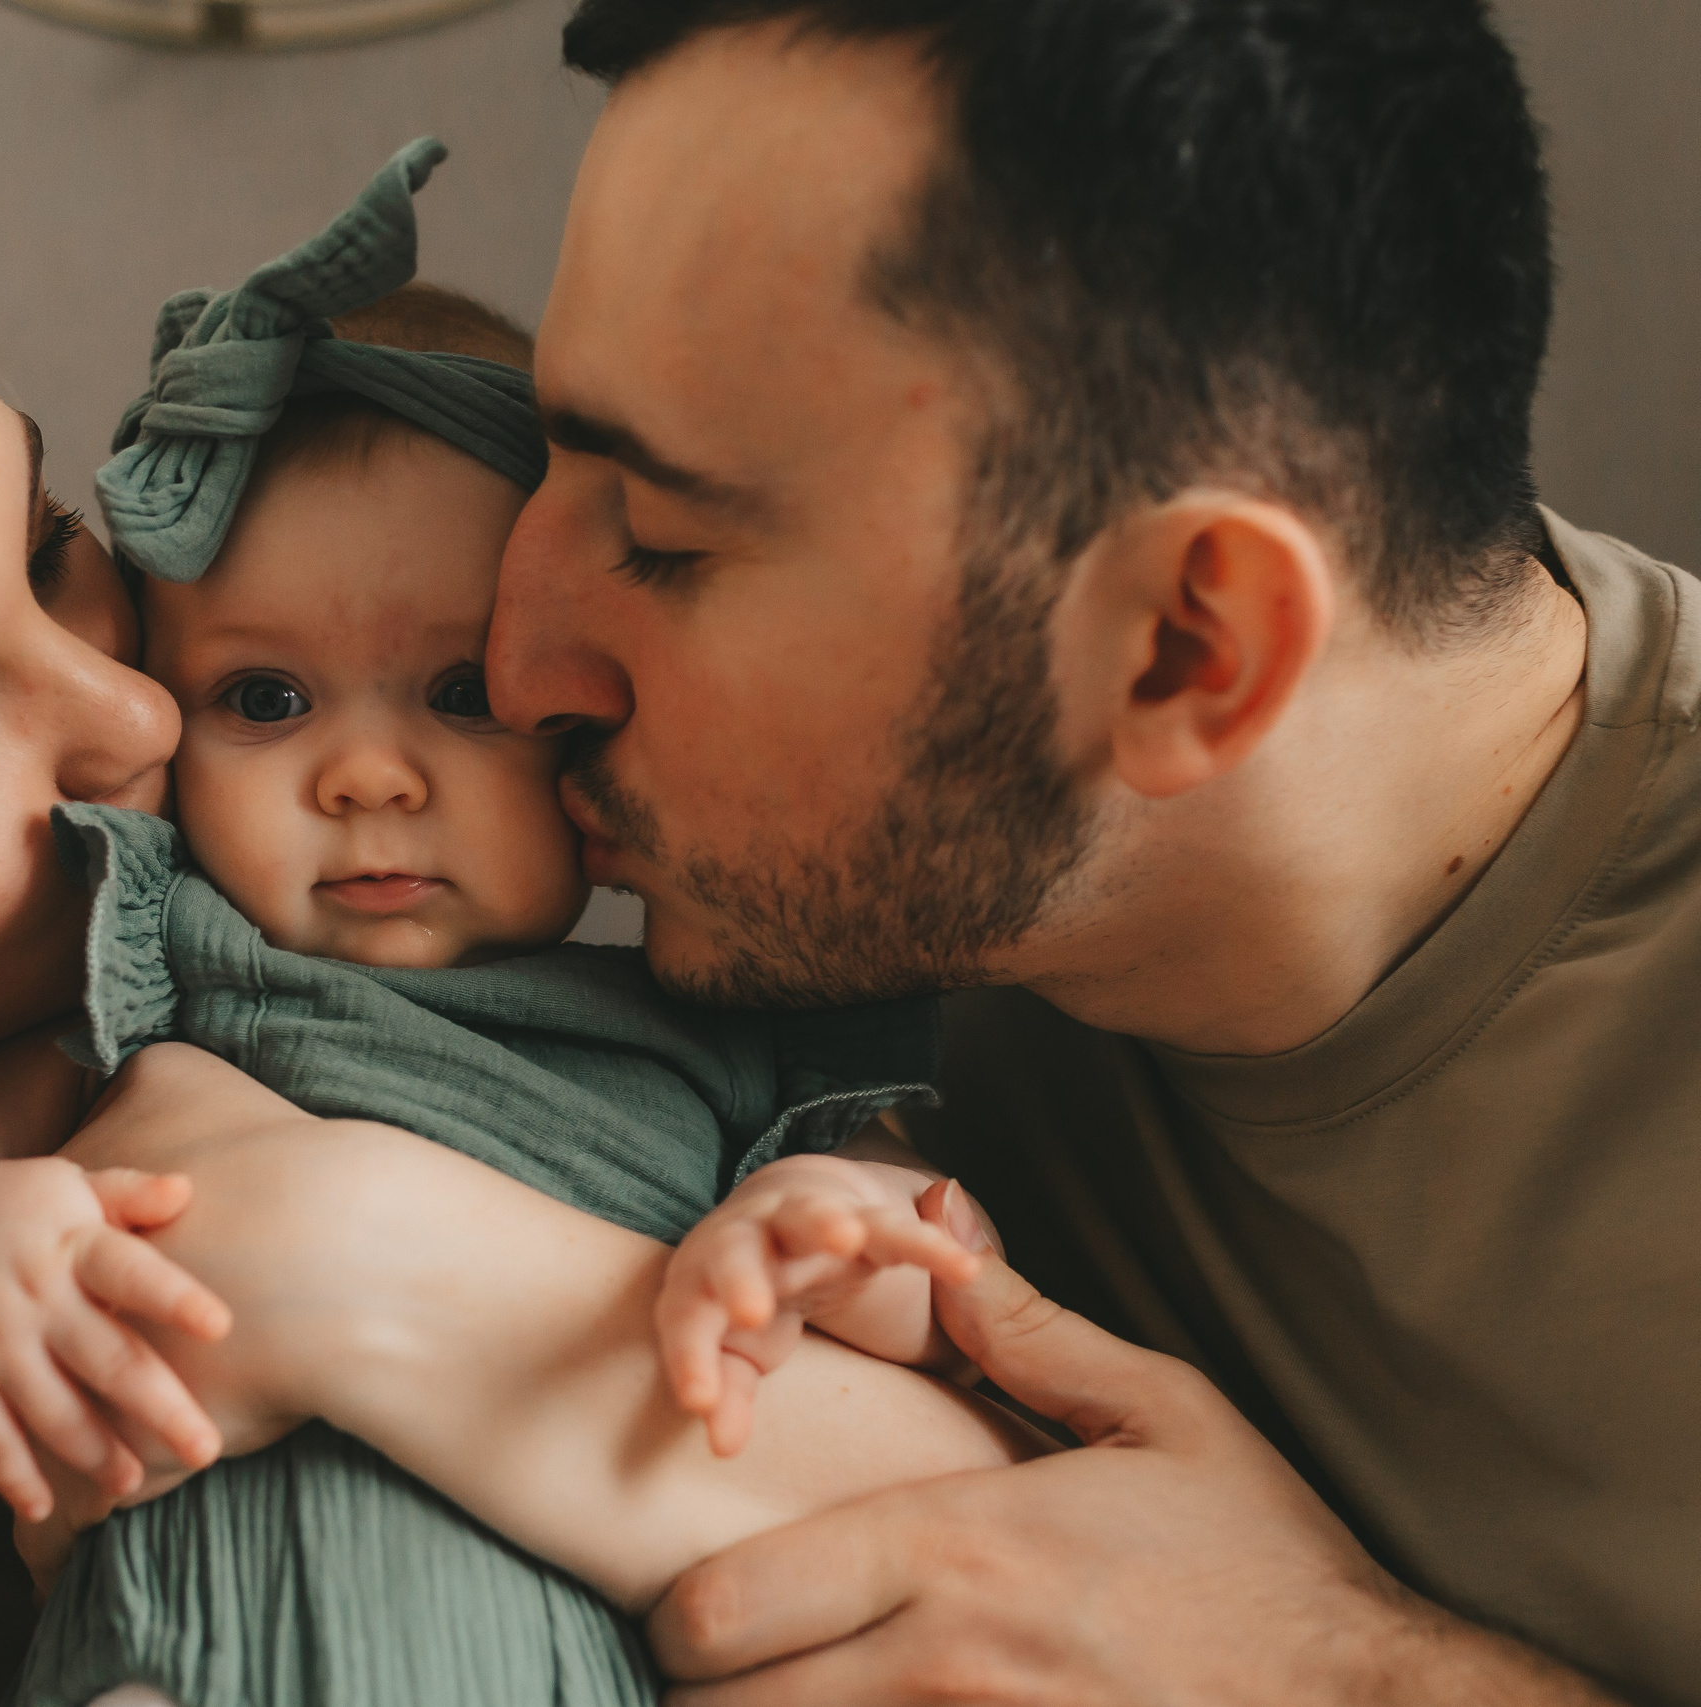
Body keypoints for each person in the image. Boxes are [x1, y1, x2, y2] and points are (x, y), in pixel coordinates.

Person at [468, 0, 1695, 1700]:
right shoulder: (840, 910)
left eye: (667, 539)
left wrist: (1346, 1674)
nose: (514, 673)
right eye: (544, 456)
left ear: (1188, 650)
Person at [0, 140, 1025, 1707]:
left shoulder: (722, 1030)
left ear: (584, 717)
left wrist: (820, 1236)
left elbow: (951, 1304)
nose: (368, 778)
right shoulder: (151, 987)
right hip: (183, 1656)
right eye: (266, 699)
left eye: (461, 692)